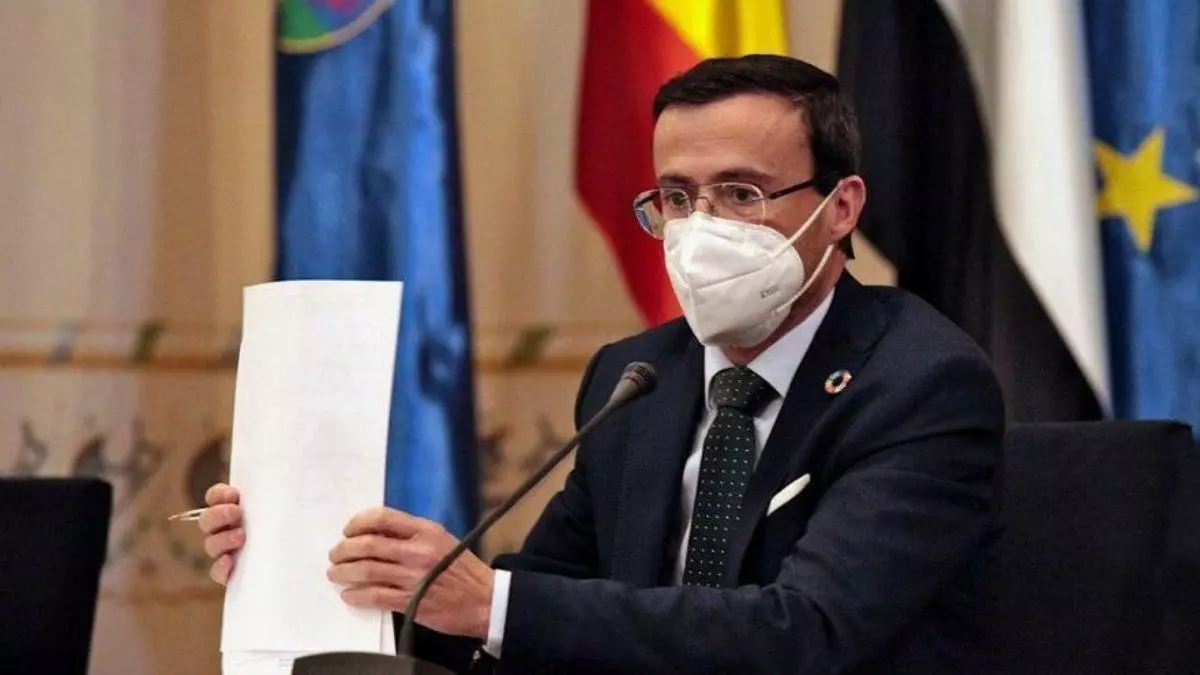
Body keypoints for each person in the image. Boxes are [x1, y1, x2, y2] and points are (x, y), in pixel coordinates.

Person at [199, 54, 1004, 674]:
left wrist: (493, 602)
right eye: (677, 197)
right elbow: (545, 598)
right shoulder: (639, 377)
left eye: (741, 193)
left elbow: (809, 632)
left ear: (841, 207)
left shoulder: (921, 381)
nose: (701, 227)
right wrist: (324, 568)